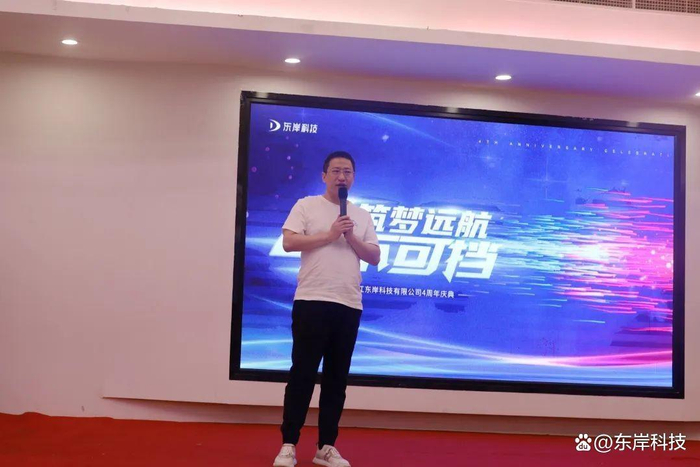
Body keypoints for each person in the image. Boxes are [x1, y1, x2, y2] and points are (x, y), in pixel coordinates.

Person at [273, 151, 381, 467]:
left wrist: (350, 237)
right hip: (312, 300)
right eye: (335, 171)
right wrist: (330, 235)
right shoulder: (306, 205)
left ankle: (326, 447)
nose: (341, 177)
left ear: (354, 177)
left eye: (347, 171)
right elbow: (289, 243)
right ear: (324, 176)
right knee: (303, 374)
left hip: (348, 303)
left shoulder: (361, 215)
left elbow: (374, 257)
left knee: (336, 379)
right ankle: (289, 444)